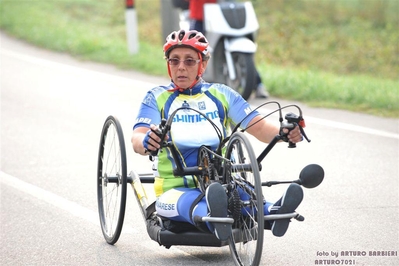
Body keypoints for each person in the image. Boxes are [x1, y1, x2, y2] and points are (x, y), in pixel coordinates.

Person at [131, 29, 303, 240]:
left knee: (241, 196)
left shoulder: (222, 94)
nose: (181, 67)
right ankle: (215, 216)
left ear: (202, 65)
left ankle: (274, 212)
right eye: (174, 61)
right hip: (175, 190)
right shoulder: (155, 97)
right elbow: (137, 138)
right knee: (193, 202)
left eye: (190, 61)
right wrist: (148, 140)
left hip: (223, 182)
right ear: (168, 64)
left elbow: (259, 127)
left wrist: (285, 132)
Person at [188, 0, 269, 99]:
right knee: (193, 48)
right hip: (200, 16)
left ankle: (257, 83)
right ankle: (192, 84)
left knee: (242, 50)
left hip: (224, 14)